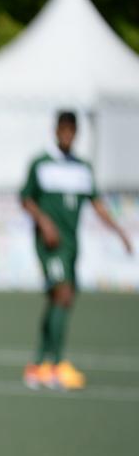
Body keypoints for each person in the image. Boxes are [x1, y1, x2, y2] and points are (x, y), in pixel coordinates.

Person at [21, 111, 132, 391]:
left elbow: (96, 203)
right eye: (64, 130)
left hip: (71, 245)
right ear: (56, 131)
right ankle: (56, 365)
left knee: (59, 299)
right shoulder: (41, 163)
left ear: (76, 133)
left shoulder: (83, 168)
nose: (67, 135)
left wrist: (119, 231)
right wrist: (44, 222)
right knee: (63, 294)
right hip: (50, 244)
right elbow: (25, 198)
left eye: (72, 130)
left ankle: (38, 365)